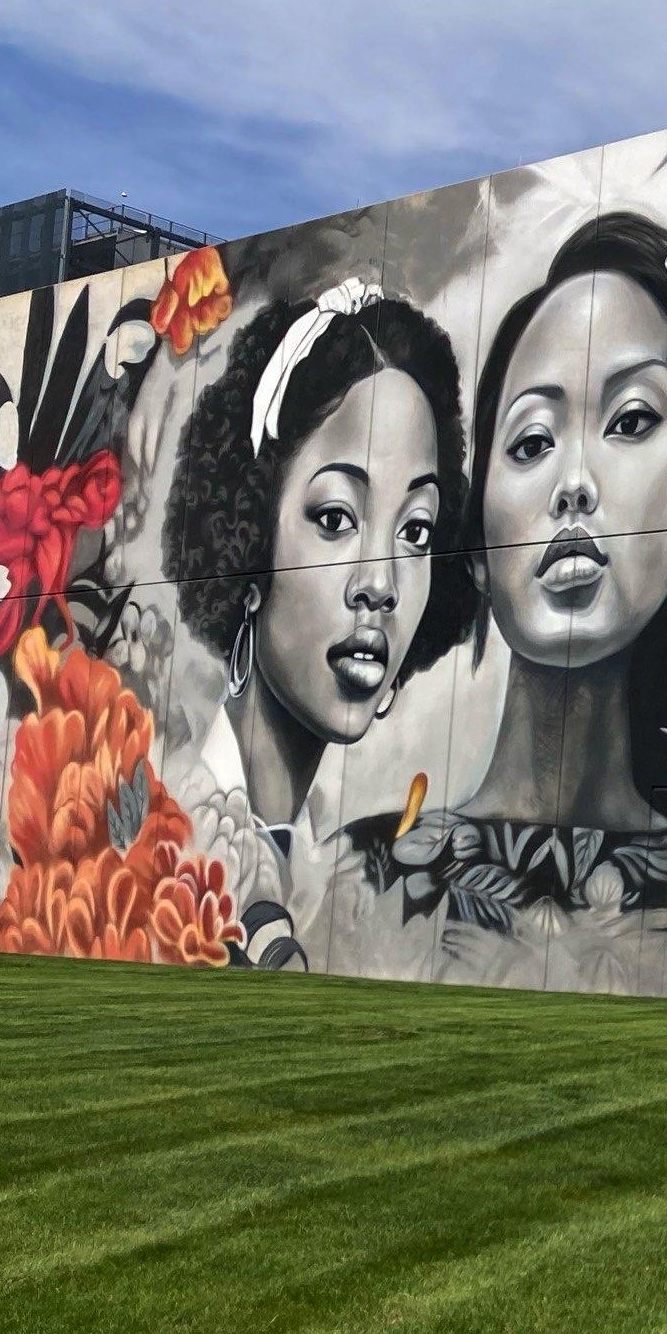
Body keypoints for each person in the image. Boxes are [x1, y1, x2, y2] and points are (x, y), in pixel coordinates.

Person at [339, 213, 667, 997]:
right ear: (475, 549)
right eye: (532, 441)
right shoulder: (355, 874)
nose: (573, 483)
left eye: (631, 421)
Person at [162, 282, 480, 969]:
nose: (381, 584)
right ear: (247, 537)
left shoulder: (333, 857)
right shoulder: (169, 831)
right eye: (336, 518)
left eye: (416, 530)